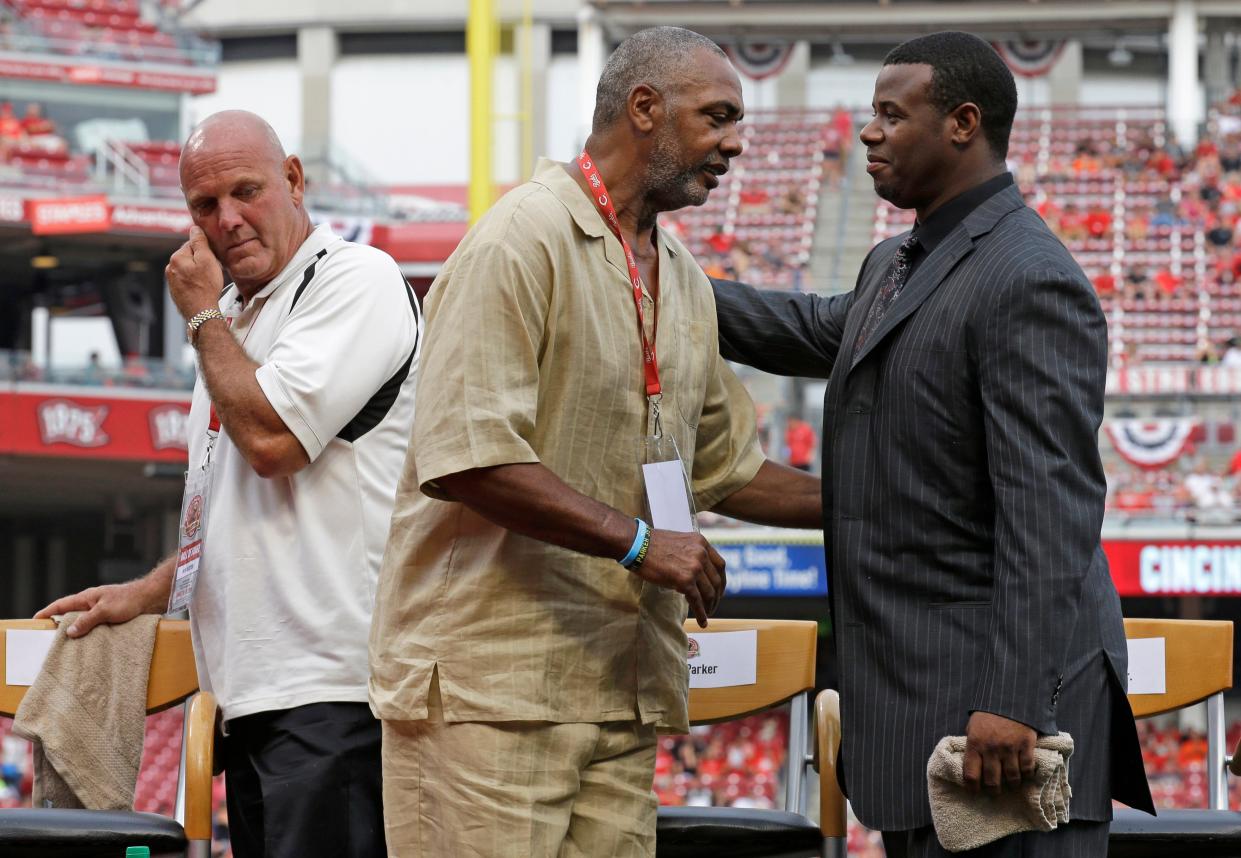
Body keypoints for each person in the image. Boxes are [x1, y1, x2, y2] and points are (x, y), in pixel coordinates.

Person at [370, 26, 821, 858]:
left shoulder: (679, 273)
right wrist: (644, 544)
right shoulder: (519, 237)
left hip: (621, 687)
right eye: (717, 116)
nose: (736, 143)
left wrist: (888, 504)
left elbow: (729, 471)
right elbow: (469, 458)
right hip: (490, 694)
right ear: (644, 108)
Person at [710, 32, 1154, 857]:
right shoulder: (898, 258)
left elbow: (1048, 509)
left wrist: (1015, 701)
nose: (866, 133)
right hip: (927, 710)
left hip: (1005, 723)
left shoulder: (1029, 276)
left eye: (890, 113)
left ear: (961, 122)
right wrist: (660, 280)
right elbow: (810, 326)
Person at [36, 110, 420, 858]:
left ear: (295, 179)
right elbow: (233, 510)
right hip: (256, 697)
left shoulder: (353, 277)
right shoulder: (237, 319)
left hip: (338, 693)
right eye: (203, 206)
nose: (228, 220)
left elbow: (273, 444)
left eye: (246, 191)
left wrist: (204, 315)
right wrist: (147, 592)